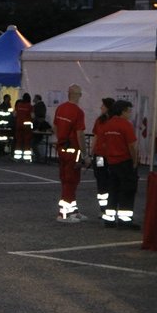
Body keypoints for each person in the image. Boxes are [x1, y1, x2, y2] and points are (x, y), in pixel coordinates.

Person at [95, 99, 139, 225]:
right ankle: (124, 219)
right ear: (123, 111)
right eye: (129, 111)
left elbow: (101, 143)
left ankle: (109, 218)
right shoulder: (126, 125)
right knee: (127, 190)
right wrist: (135, 161)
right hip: (124, 162)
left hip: (110, 162)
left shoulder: (106, 124)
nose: (130, 114)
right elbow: (132, 146)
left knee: (112, 189)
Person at [53, 85, 88, 223]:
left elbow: (55, 126)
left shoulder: (60, 108)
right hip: (73, 150)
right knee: (71, 181)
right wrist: (85, 154)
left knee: (66, 180)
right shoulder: (78, 112)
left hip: (62, 148)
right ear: (78, 95)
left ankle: (73, 210)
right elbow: (80, 134)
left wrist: (61, 139)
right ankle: (64, 214)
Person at [13, 92, 35, 162]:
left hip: (18, 125)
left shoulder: (18, 105)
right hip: (27, 127)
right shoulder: (30, 106)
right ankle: (27, 158)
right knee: (27, 142)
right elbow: (32, 116)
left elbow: (14, 114)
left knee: (18, 142)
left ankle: (17, 157)